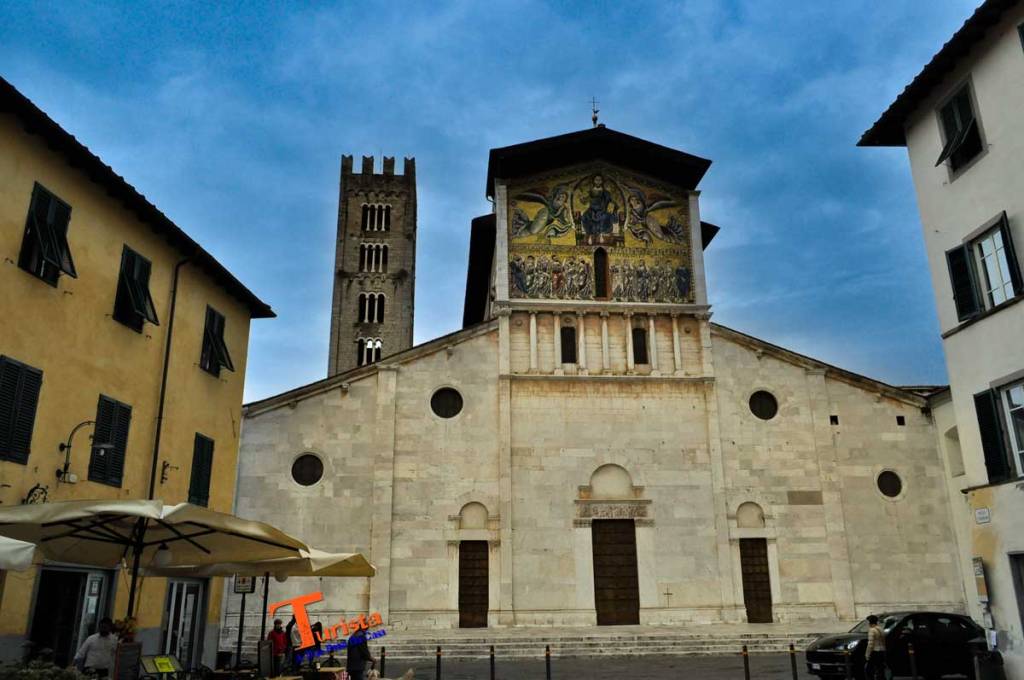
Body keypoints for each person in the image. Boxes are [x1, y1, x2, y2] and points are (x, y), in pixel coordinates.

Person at [864, 614, 888, 680]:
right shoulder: (881, 629)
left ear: (869, 622)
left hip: (875, 652)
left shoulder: (872, 630)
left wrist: (867, 655)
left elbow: (870, 644)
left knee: (868, 669)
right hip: (882, 651)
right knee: (880, 669)